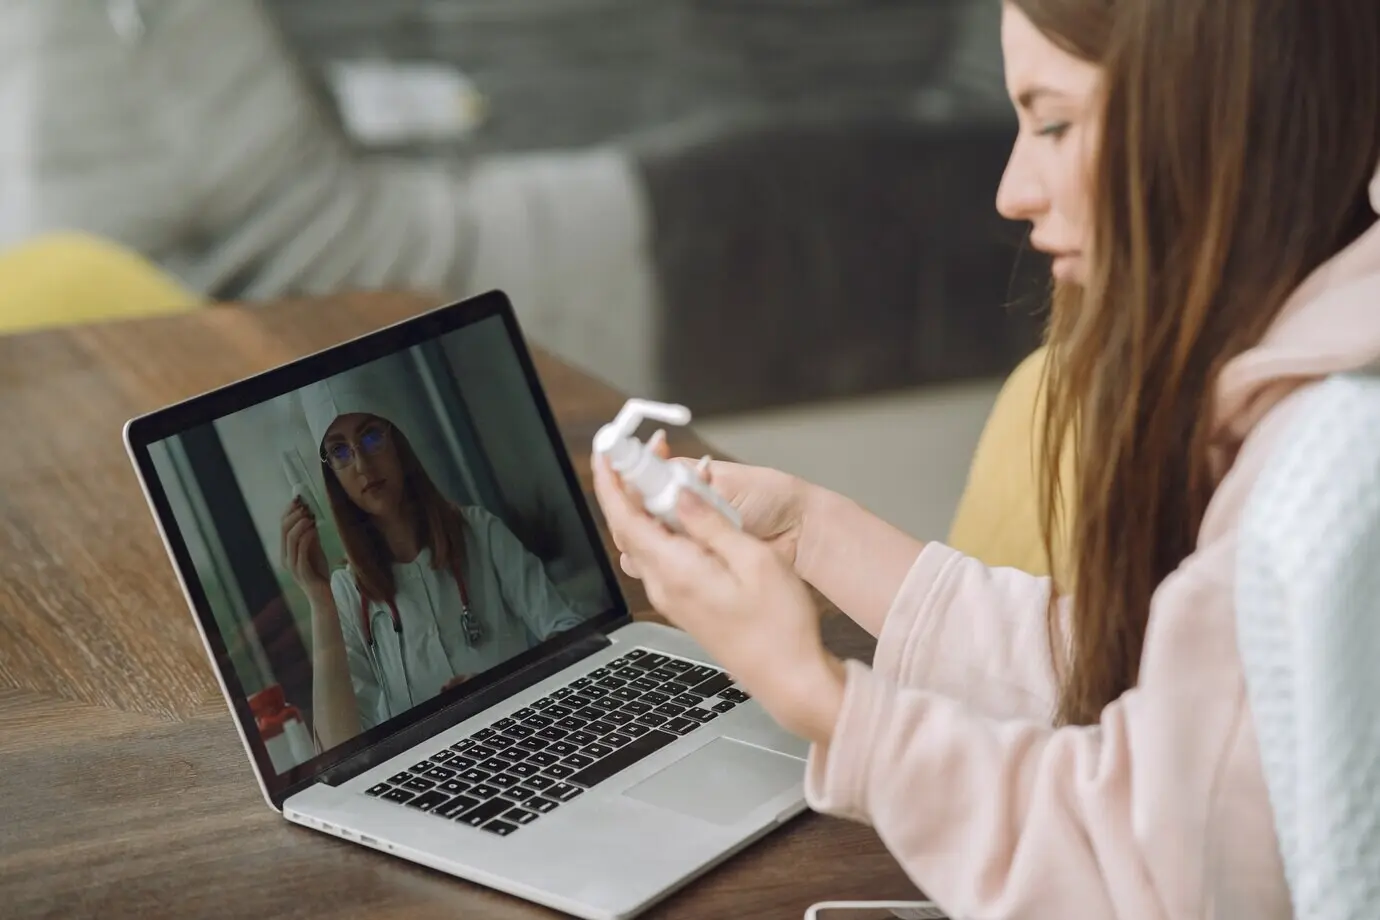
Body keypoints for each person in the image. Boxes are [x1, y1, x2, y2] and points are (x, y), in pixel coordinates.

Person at [593, 1, 1380, 916]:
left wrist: (814, 694)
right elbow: (1175, 715)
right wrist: (814, 530)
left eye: (1053, 122)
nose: (1012, 189)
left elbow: (1147, 879)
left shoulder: (1328, 473)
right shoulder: (1317, 385)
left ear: (1224, 111)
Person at [280, 364, 586, 749]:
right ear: (332, 474)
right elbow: (336, 751)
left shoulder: (480, 533)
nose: (361, 464)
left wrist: (500, 688)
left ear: (399, 441)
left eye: (371, 437)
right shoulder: (344, 593)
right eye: (340, 451)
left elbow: (570, 629)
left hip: (524, 737)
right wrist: (319, 601)